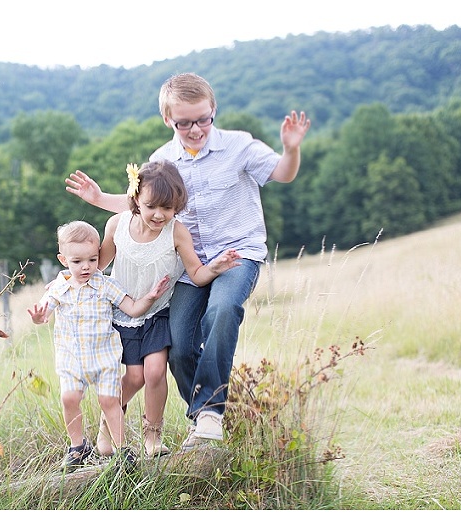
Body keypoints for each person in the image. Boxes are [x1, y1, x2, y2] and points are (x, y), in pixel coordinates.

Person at [65, 72, 311, 451]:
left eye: (203, 119)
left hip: (236, 255)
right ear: (168, 119)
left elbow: (282, 172)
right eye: (184, 123)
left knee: (222, 310)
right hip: (187, 266)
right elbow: (142, 205)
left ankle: (209, 413)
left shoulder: (239, 146)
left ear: (213, 110)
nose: (195, 129)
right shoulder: (161, 160)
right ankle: (200, 417)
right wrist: (98, 199)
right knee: (178, 345)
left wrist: (291, 149)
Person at [95, 160, 241, 458]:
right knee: (135, 378)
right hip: (123, 313)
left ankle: (153, 436)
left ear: (177, 207)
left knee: (155, 372)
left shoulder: (176, 233)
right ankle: (107, 425)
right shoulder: (116, 225)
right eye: (151, 206)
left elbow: (196, 273)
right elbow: (96, 267)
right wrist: (66, 280)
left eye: (168, 208)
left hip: (157, 313)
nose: (159, 214)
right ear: (136, 198)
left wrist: (215, 267)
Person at [27, 220, 170, 469]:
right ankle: (77, 447)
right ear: (63, 260)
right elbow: (44, 314)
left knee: (109, 401)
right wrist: (39, 318)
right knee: (69, 398)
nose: (86, 267)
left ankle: (121, 449)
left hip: (104, 358)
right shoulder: (58, 288)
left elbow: (132, 308)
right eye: (77, 261)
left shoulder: (106, 285)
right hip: (71, 359)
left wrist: (150, 297)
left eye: (92, 260)